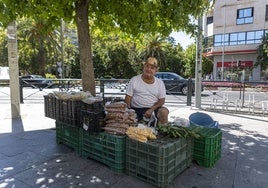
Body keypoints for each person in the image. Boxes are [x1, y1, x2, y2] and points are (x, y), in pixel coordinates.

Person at [125, 57, 169, 125]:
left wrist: (151, 109)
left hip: (153, 109)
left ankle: (161, 132)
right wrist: (128, 110)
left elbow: (162, 100)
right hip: (136, 109)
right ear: (143, 67)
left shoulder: (160, 83)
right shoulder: (134, 80)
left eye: (152, 68)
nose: (149, 69)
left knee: (164, 111)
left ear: (155, 70)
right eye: (147, 66)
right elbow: (128, 97)